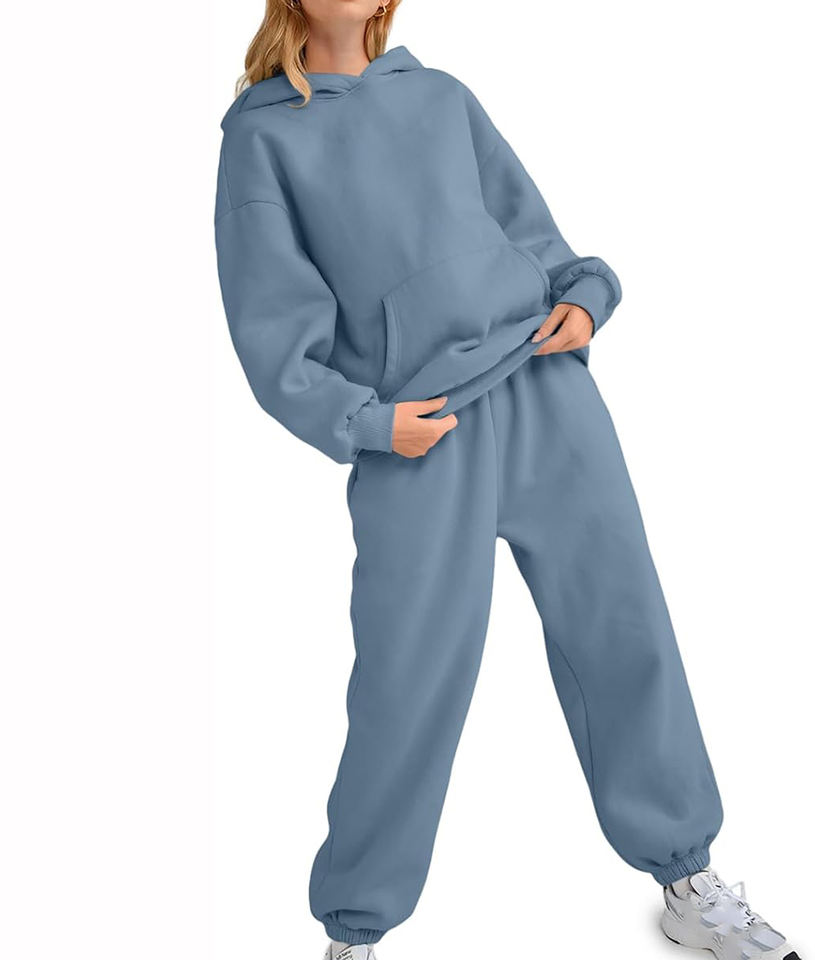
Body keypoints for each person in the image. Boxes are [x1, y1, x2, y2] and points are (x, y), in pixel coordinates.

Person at [214, 3, 801, 959]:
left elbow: (533, 236)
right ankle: (355, 931)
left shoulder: (443, 97)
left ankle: (684, 875)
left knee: (624, 632)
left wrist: (585, 298)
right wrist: (367, 423)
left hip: (545, 392)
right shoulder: (263, 137)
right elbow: (269, 325)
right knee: (406, 680)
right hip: (419, 433)